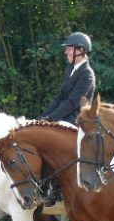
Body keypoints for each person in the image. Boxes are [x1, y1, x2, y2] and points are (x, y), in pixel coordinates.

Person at [38, 31, 96, 205]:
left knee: (47, 140)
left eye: (70, 49)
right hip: (63, 117)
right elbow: (60, 98)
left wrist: (51, 119)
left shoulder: (87, 74)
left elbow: (72, 103)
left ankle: (54, 188)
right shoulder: (71, 70)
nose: (66, 52)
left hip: (75, 119)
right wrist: (44, 116)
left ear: (81, 50)